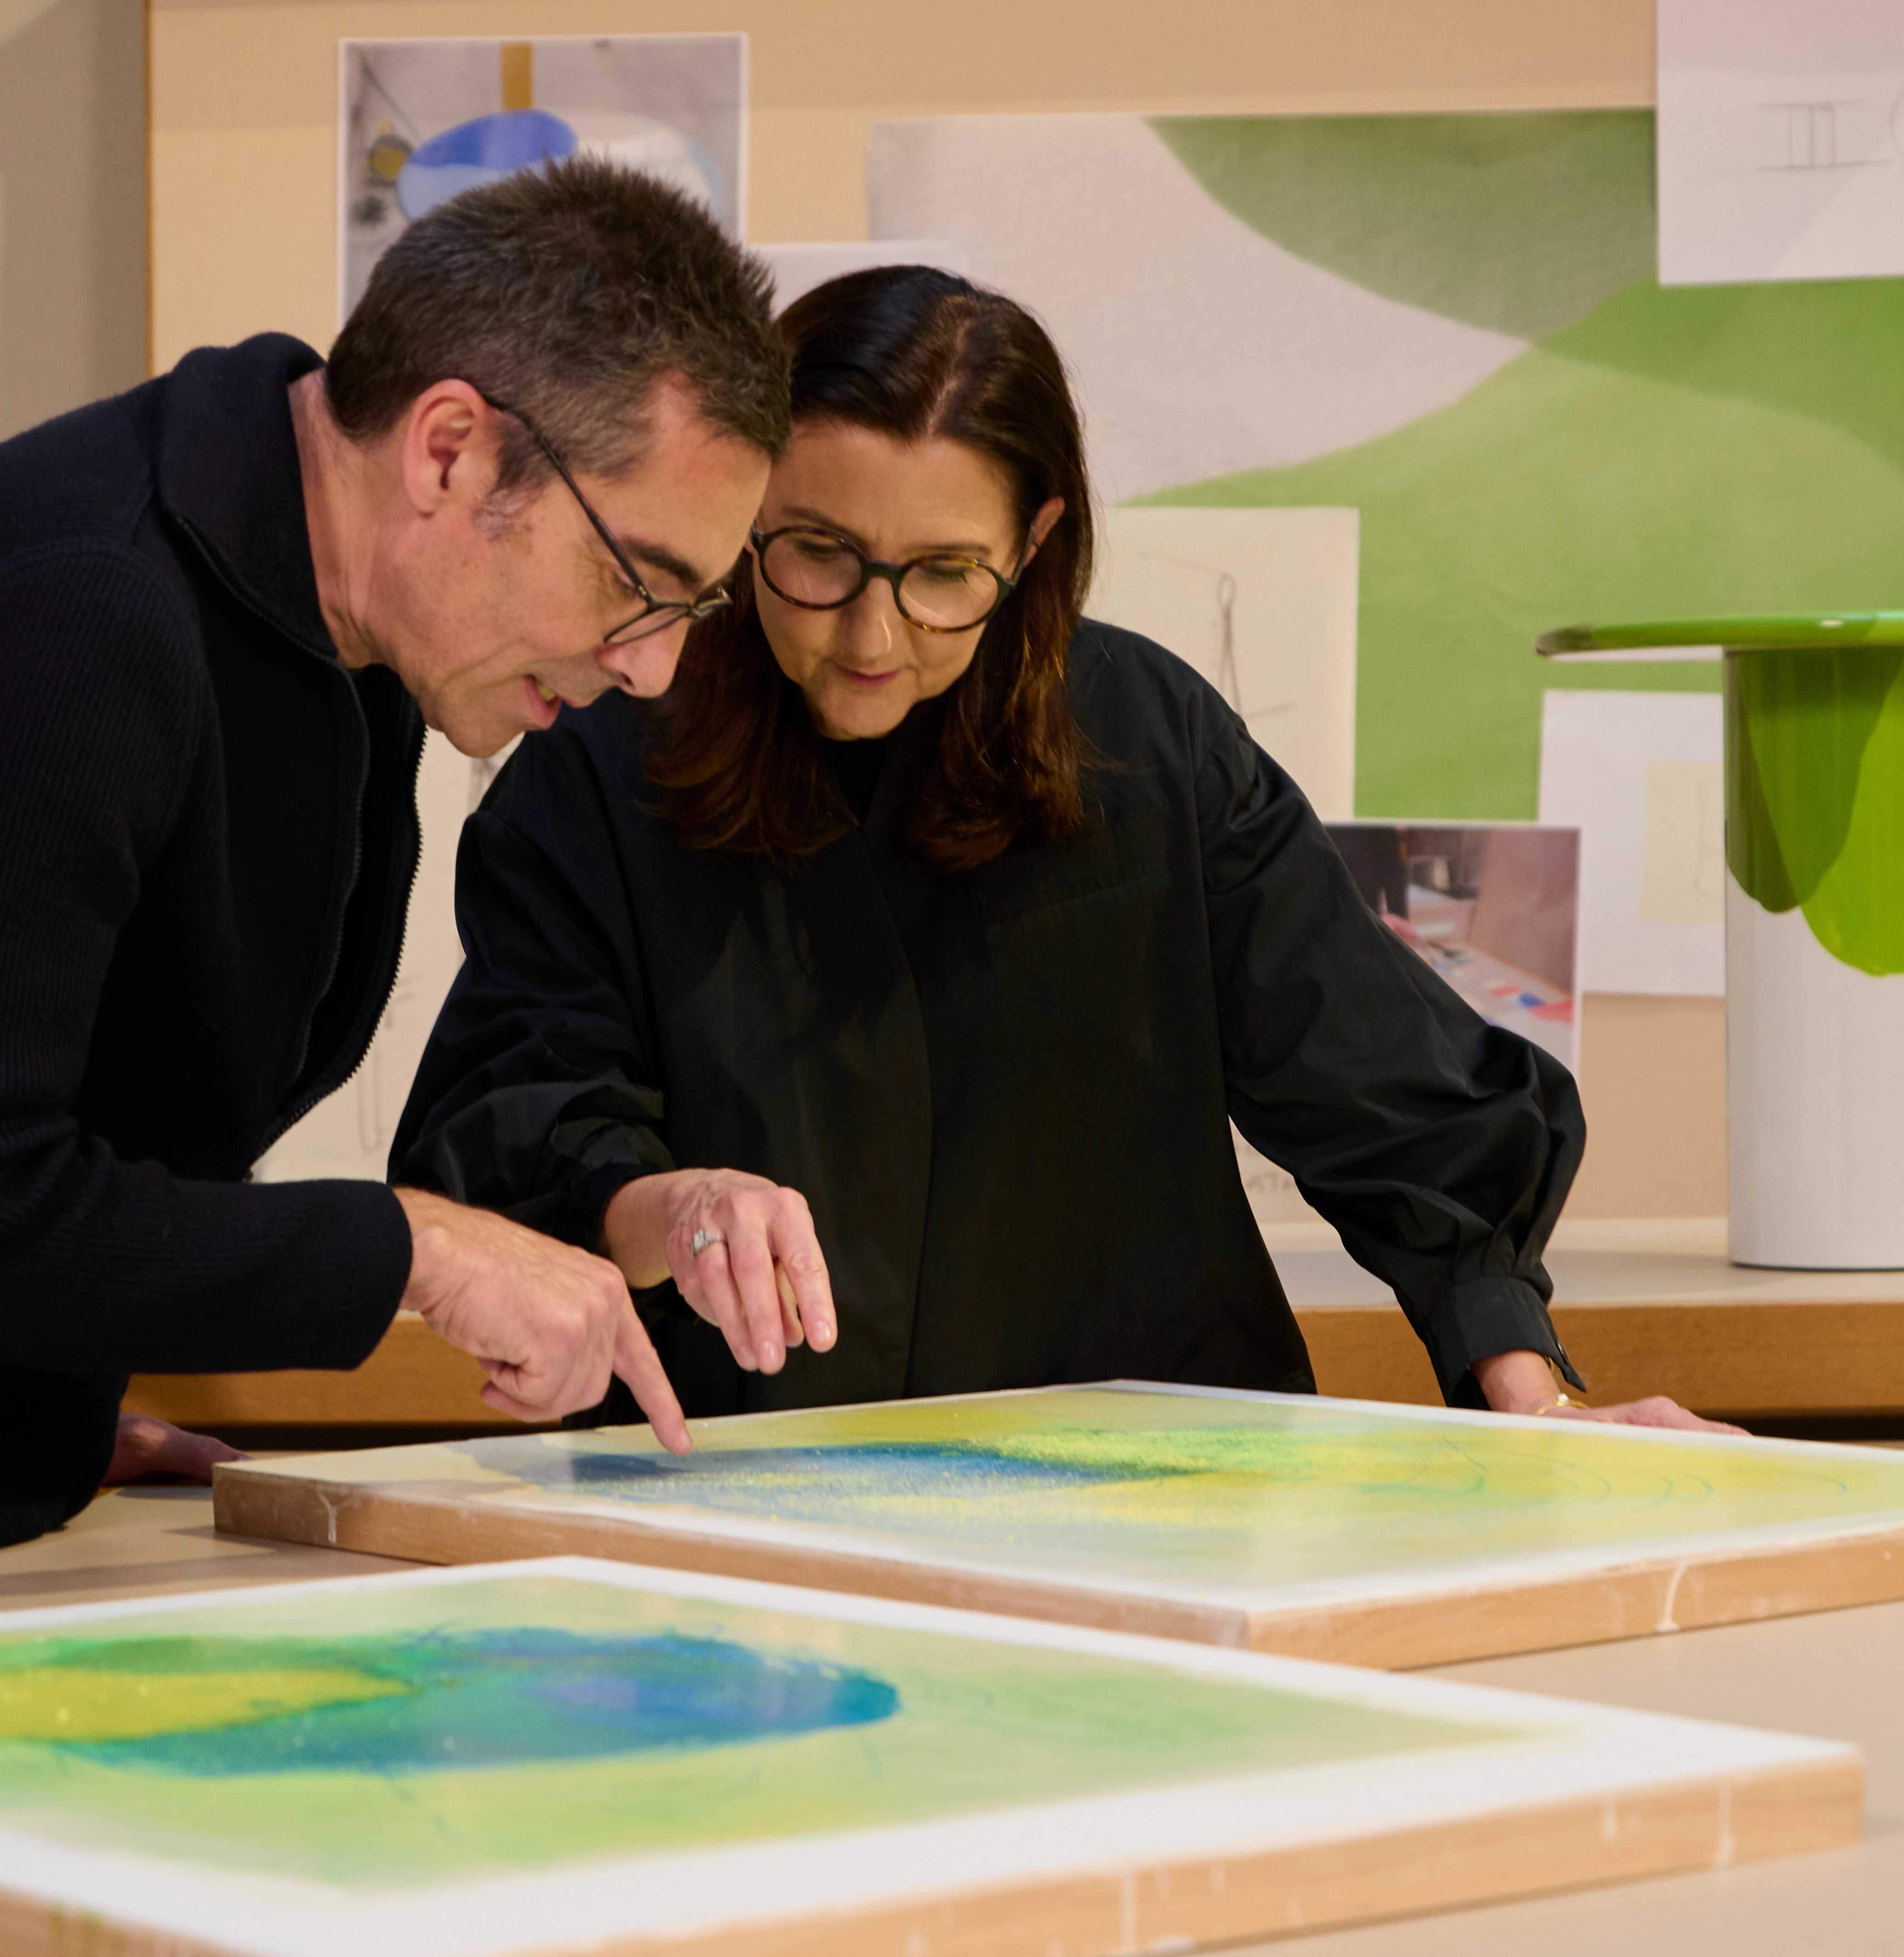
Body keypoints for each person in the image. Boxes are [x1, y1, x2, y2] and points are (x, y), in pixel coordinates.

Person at [396, 264, 1718, 1433]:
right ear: (746, 506)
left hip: (1157, 1490)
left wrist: (1539, 1398)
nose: (872, 636)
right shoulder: (604, 764)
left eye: (943, 574)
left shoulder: (1147, 743)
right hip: (742, 1487)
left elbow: (1393, 1100)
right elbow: (519, 1120)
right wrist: (666, 1206)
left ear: (1033, 546)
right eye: (816, 554)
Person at [0, 161, 789, 1615]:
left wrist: (28, 1417)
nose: (652, 665)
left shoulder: (337, 649)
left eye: (693, 609)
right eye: (639, 579)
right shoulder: (76, 612)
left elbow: (68, 1139)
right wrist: (420, 1247)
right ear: (449, 451)